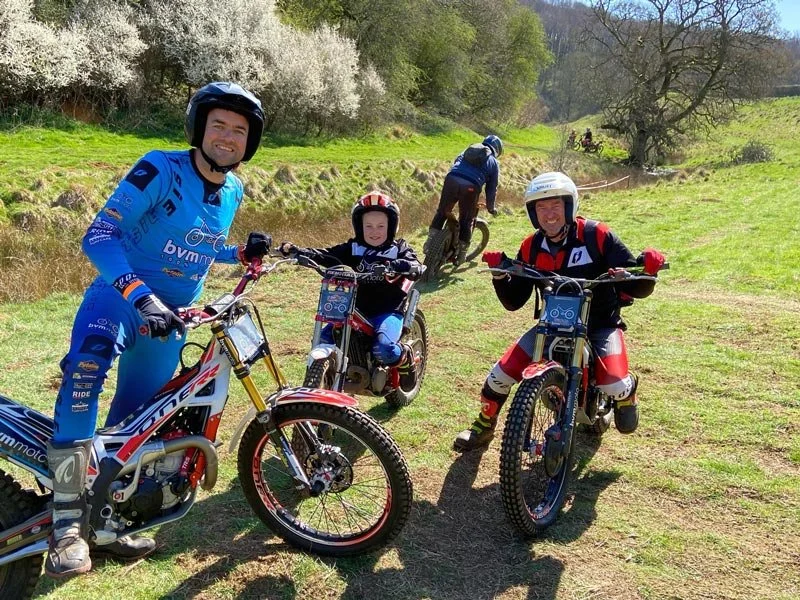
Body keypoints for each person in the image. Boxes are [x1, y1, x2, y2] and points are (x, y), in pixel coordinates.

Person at [47, 82, 273, 578]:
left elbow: (201, 246)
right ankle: (65, 522)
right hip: (121, 298)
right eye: (219, 125)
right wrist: (140, 296)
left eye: (239, 131)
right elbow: (100, 234)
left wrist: (240, 254)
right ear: (199, 127)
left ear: (249, 142)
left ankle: (104, 523)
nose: (228, 137)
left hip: (173, 316)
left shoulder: (232, 189)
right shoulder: (161, 167)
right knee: (85, 373)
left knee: (140, 419)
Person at [453, 171, 666, 452]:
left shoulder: (596, 235)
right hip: (551, 327)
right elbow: (515, 300)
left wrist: (648, 268)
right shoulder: (530, 246)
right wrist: (500, 277)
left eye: (555, 206)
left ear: (570, 206)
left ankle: (628, 393)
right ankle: (483, 425)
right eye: (541, 207)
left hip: (600, 324)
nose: (549, 214)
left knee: (615, 384)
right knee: (500, 375)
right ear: (532, 212)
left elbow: (633, 281)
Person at [280, 192, 422, 391]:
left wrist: (402, 265)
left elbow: (414, 263)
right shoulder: (351, 248)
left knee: (385, 349)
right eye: (368, 226)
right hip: (351, 310)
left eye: (381, 226)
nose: (374, 231)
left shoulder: (398, 249)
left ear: (391, 226)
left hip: (387, 311)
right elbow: (325, 255)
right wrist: (298, 252)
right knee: (322, 340)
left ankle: (406, 359)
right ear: (359, 226)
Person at [424, 135, 502, 265]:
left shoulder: (469, 149)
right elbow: (491, 188)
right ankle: (461, 254)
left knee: (443, 211)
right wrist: (491, 208)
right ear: (497, 150)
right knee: (466, 219)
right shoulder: (493, 162)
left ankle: (429, 242)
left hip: (452, 179)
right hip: (471, 186)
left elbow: (457, 161)